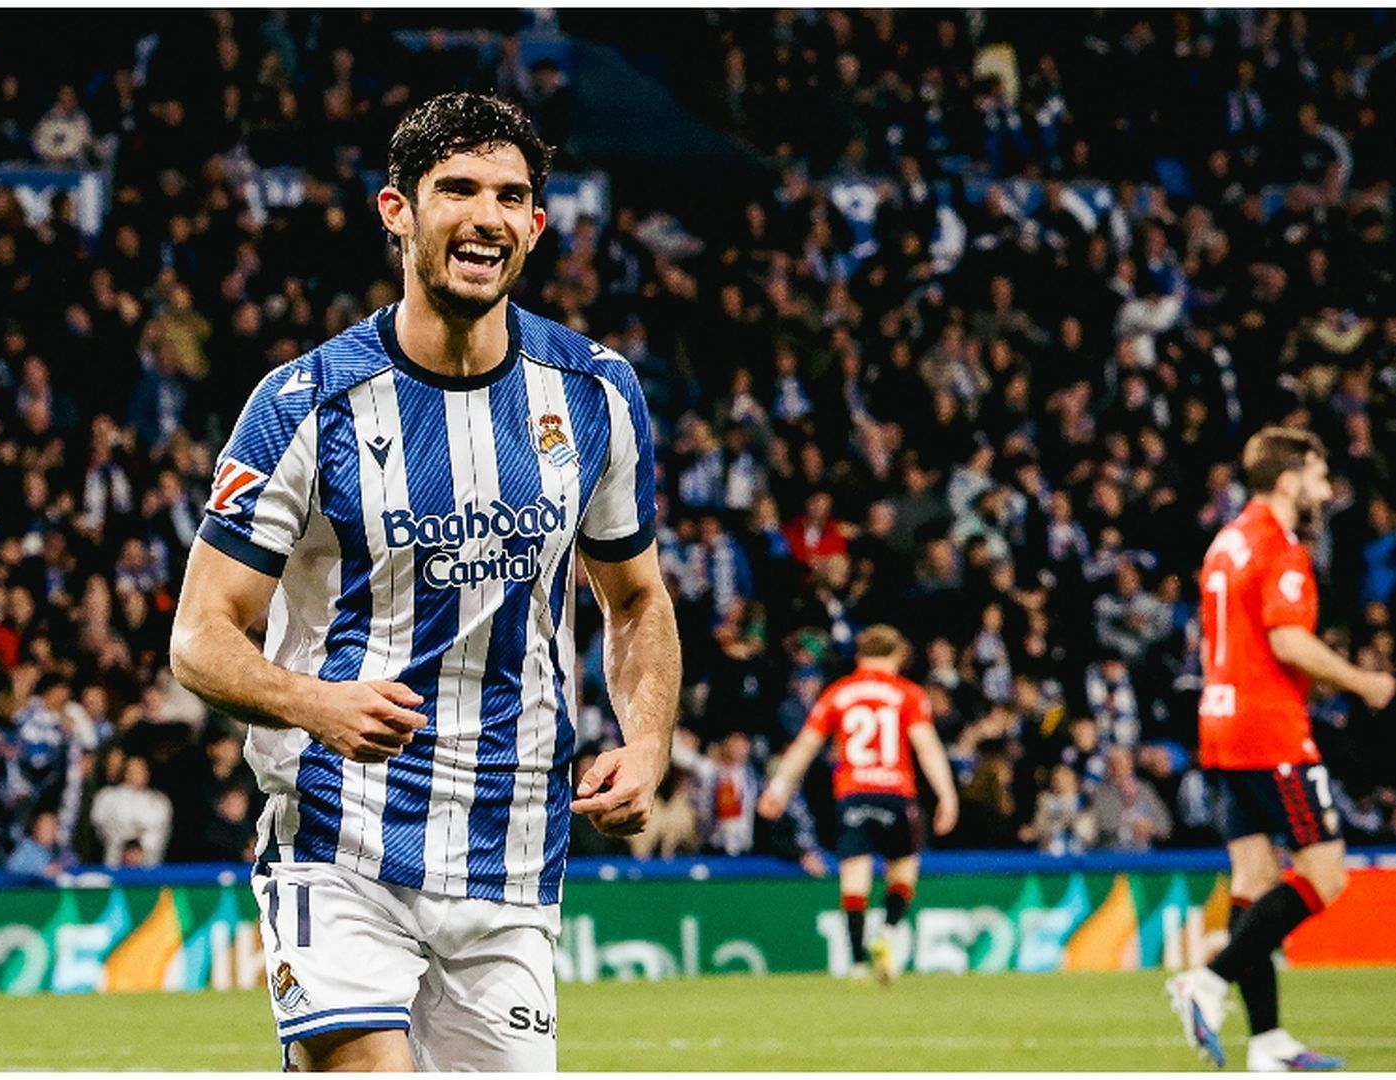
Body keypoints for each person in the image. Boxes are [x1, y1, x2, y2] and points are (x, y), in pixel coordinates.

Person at [168, 92, 680, 1072]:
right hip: (339, 832)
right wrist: (310, 701)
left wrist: (647, 742)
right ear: (397, 210)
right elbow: (202, 636)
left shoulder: (594, 394)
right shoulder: (303, 408)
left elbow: (638, 598)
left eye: (511, 195)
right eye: (457, 189)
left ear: (534, 225)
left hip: (512, 851)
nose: (485, 215)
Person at [1167, 427, 1396, 1072]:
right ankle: (1205, 982)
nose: (1327, 489)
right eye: (1320, 476)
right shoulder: (1279, 545)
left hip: (1220, 724)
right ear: (1290, 479)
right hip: (1270, 728)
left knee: (1255, 883)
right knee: (1326, 876)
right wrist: (1363, 682)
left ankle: (1267, 1042)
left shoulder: (1226, 540)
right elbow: (1289, 643)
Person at [757, 625, 958, 983]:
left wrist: (779, 788)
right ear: (896, 654)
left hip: (852, 792)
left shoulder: (839, 693)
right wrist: (946, 793)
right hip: (896, 791)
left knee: (855, 873)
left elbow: (805, 746)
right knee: (904, 867)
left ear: (861, 655)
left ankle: (856, 962)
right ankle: (889, 934)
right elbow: (926, 746)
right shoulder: (907, 694)